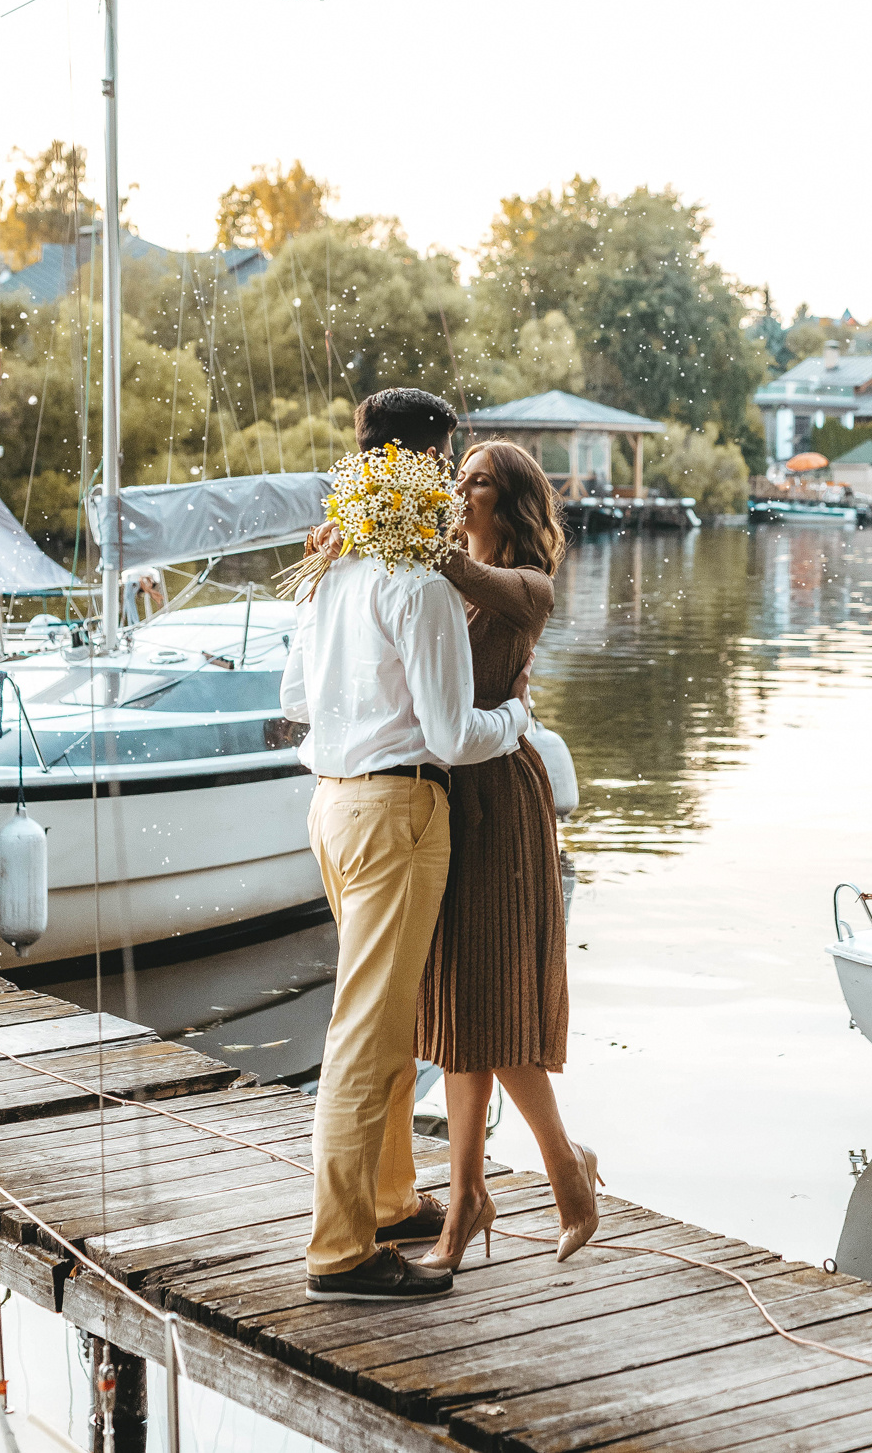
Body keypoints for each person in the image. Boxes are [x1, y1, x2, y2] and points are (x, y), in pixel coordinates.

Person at [279, 389, 530, 1305]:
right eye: (447, 463)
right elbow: (456, 733)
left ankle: (388, 1199)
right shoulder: (415, 582)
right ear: (422, 464)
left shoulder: (331, 571)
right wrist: (516, 721)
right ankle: (340, 1250)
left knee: (374, 1018)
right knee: (367, 1031)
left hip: (334, 808)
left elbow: (299, 700)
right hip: (398, 815)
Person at [416, 439, 602, 1271]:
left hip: (503, 804)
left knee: (492, 1002)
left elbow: (464, 573)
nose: (462, 493)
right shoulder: (443, 593)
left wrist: (406, 530)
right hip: (449, 799)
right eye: (457, 480)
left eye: (477, 482)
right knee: (461, 1012)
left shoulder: (526, 589)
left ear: (515, 502)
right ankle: (472, 1196)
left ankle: (553, 1174)